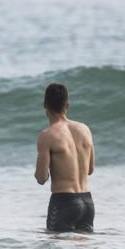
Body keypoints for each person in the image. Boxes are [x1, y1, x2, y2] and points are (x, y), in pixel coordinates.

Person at [35, 83, 95, 232]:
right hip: (87, 202)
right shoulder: (85, 129)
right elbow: (90, 169)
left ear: (45, 105)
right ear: (67, 105)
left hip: (63, 203)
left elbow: (41, 178)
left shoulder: (47, 135)